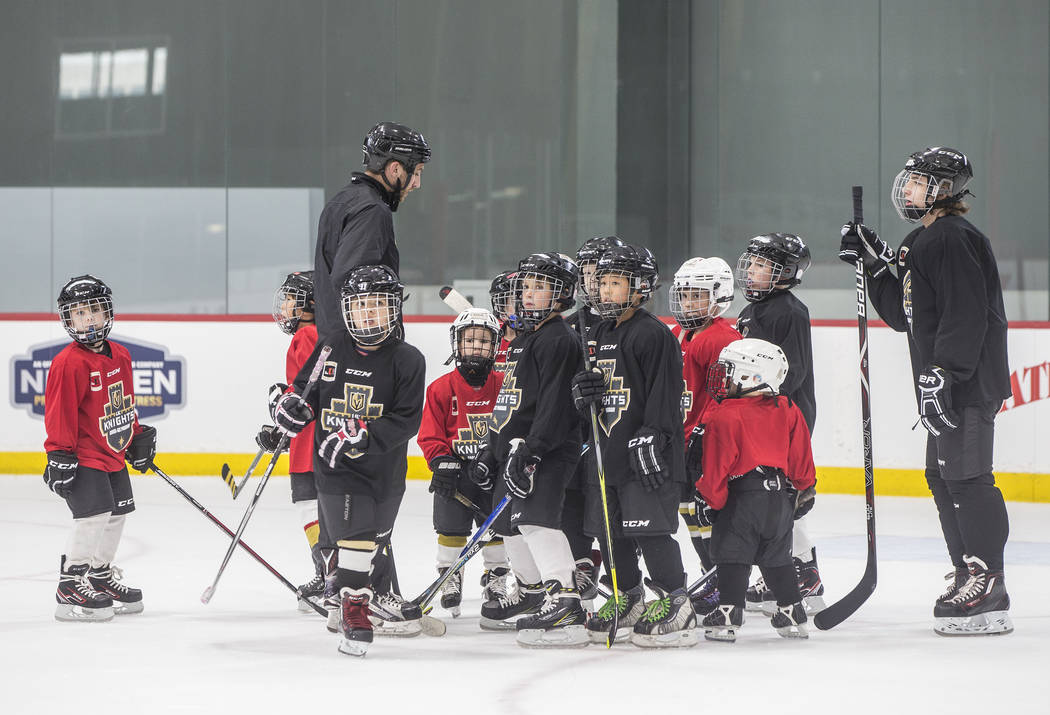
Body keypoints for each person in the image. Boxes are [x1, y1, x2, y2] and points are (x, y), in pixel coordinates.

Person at [839, 146, 1012, 636]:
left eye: (918, 182)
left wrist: (945, 374)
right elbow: (904, 315)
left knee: (968, 479)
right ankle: (966, 570)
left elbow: (966, 312)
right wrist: (875, 266)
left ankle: (989, 582)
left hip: (965, 383)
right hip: (945, 382)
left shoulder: (954, 237)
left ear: (944, 189)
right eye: (909, 180)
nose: (908, 189)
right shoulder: (920, 240)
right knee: (941, 478)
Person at [271, 264, 425, 657]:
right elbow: (306, 392)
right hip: (336, 467)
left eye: (377, 304)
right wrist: (291, 406)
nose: (368, 313)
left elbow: (407, 420)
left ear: (394, 308)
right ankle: (355, 609)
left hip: (385, 472)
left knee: (374, 539)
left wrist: (366, 434)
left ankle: (342, 591)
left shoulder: (408, 359)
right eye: (360, 305)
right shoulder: (332, 346)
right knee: (356, 535)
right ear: (346, 309)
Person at [570, 244, 697, 649]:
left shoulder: (652, 334)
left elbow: (666, 394)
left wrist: (653, 434)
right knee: (610, 533)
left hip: (647, 457)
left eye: (616, 283)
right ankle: (628, 596)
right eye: (603, 283)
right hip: (608, 454)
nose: (606, 291)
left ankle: (677, 600)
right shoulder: (597, 333)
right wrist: (582, 394)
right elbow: (591, 399)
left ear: (640, 287)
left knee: (651, 531)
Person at [468, 252, 588, 648]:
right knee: (509, 524)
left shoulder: (559, 339)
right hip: (515, 451)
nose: (530, 294)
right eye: (526, 287)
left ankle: (566, 600)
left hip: (545, 451)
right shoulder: (525, 340)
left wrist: (533, 451)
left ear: (563, 294)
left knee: (536, 519)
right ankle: (532, 591)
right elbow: (511, 403)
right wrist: (491, 450)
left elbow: (555, 405)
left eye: (540, 287)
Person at [44, 275, 155, 622]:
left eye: (93, 310)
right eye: (79, 313)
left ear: (107, 312)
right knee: (92, 516)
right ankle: (71, 581)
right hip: (84, 455)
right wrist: (59, 453)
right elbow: (59, 412)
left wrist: (135, 435)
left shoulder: (120, 354)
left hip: (112, 451)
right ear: (69, 319)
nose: (88, 318)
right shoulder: (69, 362)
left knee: (117, 513)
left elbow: (124, 401)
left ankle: (99, 575)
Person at [691, 338, 816, 642]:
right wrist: (805, 489)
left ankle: (728, 612)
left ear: (752, 375)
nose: (722, 377)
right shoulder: (788, 408)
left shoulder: (724, 414)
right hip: (780, 500)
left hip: (741, 500)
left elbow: (716, 468)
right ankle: (792, 611)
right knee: (777, 556)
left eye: (729, 371)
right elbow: (802, 465)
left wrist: (711, 501)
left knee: (732, 553)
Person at [734, 233, 825, 613]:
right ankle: (790, 571)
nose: (751, 271)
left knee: (781, 500)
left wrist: (761, 405)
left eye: (762, 265)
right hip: (759, 419)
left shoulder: (789, 311)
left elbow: (793, 370)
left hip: (783, 421)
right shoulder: (750, 311)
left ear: (785, 272)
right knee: (766, 499)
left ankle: (804, 573)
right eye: (752, 263)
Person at [417, 308, 512, 617]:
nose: (476, 347)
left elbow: (513, 428)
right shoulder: (440, 388)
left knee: (496, 527)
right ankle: (450, 574)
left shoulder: (504, 385)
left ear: (494, 347)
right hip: (456, 474)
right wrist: (441, 462)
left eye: (483, 341)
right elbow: (429, 435)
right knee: (450, 526)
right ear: (457, 344)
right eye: (469, 340)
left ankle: (496, 575)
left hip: (492, 473)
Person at [668, 256, 740, 616]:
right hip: (681, 441)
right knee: (689, 513)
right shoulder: (680, 334)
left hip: (706, 444)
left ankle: (723, 581)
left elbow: (725, 395)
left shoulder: (721, 338)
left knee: (707, 514)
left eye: (697, 295)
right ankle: (711, 576)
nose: (688, 303)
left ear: (719, 295)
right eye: (684, 295)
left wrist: (703, 430)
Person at [313, 122, 431, 336]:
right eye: (417, 172)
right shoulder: (372, 210)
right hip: (359, 347)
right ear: (395, 169)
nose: (417, 183)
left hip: (337, 342)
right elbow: (355, 287)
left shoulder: (342, 200)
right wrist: (372, 350)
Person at [562, 235, 626, 608]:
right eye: (586, 273)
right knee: (571, 497)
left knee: (608, 506)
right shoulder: (572, 325)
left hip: (614, 431)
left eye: (598, 274)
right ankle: (582, 563)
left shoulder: (627, 324)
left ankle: (626, 583)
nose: (591, 281)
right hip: (577, 430)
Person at [256, 271, 323, 611]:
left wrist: (283, 401)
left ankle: (329, 575)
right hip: (306, 441)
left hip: (312, 445)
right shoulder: (309, 334)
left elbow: (314, 390)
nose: (284, 307)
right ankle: (327, 572)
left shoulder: (308, 335)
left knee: (311, 506)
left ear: (311, 304)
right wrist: (281, 429)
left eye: (292, 300)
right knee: (309, 507)